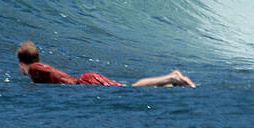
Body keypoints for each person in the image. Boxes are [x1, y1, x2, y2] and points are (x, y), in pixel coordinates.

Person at [16, 41, 196, 87]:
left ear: (22, 62)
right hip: (86, 80)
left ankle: (172, 76)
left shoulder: (34, 69)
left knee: (129, 90)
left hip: (85, 83)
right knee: (126, 88)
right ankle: (169, 82)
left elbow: (50, 73)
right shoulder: (37, 69)